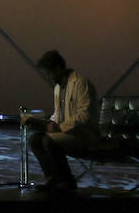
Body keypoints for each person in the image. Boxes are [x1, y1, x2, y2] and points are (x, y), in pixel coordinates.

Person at [23, 50, 99, 193]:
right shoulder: (58, 87)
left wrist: (60, 127)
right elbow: (58, 114)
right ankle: (53, 178)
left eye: (49, 72)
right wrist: (46, 124)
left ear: (58, 68)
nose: (48, 76)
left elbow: (85, 114)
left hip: (84, 133)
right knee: (35, 139)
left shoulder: (81, 83)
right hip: (68, 132)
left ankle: (66, 180)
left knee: (49, 141)